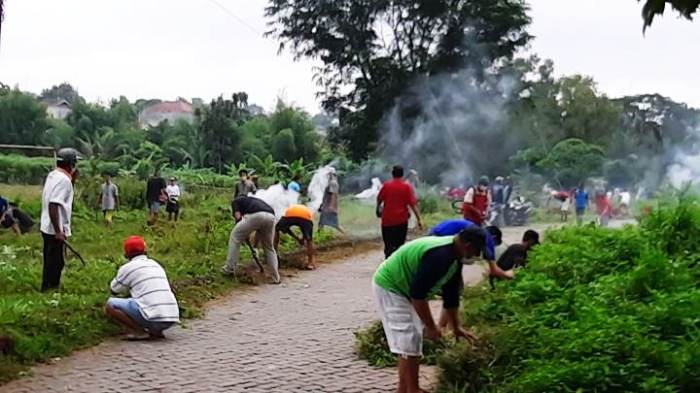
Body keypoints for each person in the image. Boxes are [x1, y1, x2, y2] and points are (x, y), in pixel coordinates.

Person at [372, 228, 488, 393]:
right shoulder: (440, 256)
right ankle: (413, 390)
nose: (476, 256)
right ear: (468, 246)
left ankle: (404, 389)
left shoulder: (454, 257)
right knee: (410, 338)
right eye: (476, 251)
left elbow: (451, 296)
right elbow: (418, 296)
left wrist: (456, 327)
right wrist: (431, 327)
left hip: (405, 288)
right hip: (391, 285)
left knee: (410, 341)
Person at [105, 236, 179, 340]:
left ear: (126, 254)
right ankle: (156, 331)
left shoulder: (128, 268)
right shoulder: (156, 264)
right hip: (171, 316)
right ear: (145, 251)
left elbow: (114, 289)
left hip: (151, 317)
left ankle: (138, 331)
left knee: (111, 304)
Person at [39, 148, 80, 292]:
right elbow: (54, 204)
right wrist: (58, 231)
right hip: (54, 228)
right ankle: (50, 288)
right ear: (71, 164)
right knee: (56, 262)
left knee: (50, 260)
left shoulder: (53, 175)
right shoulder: (63, 181)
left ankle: (47, 286)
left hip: (46, 226)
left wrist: (72, 180)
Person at [222, 196, 281, 284]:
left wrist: (243, 234)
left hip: (256, 215)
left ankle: (229, 268)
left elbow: (238, 218)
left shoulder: (235, 202)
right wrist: (246, 234)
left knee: (235, 237)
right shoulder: (253, 201)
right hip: (271, 216)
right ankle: (275, 277)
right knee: (269, 247)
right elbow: (257, 229)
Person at [377, 165, 423, 258]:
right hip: (401, 222)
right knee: (399, 247)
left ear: (392, 174)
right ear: (402, 175)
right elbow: (413, 205)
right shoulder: (406, 187)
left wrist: (378, 209)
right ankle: (397, 265)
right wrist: (419, 220)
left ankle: (388, 263)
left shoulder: (386, 186)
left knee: (388, 246)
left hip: (387, 222)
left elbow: (379, 199)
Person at [275, 204, 316, 270]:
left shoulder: (290, 208)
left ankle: (274, 253)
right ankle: (310, 263)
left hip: (289, 215)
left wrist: (296, 237)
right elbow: (306, 233)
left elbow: (286, 229)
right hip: (306, 217)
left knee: (276, 229)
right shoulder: (308, 212)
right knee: (309, 240)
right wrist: (302, 238)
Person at [318, 168, 344, 233]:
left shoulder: (333, 183)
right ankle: (320, 235)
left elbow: (333, 195)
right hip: (326, 207)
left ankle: (346, 235)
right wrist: (322, 205)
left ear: (331, 174)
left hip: (329, 208)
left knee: (336, 225)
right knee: (321, 223)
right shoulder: (330, 183)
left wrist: (331, 206)